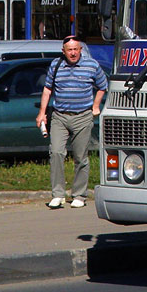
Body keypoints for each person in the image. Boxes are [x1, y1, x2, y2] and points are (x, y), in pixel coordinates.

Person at [36, 35, 107, 209]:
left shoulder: (91, 65)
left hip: (83, 116)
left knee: (80, 157)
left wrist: (96, 106)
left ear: (81, 50)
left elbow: (103, 86)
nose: (73, 53)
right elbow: (47, 89)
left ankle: (79, 195)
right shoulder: (56, 64)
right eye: (70, 50)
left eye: (76, 49)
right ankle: (58, 194)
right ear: (64, 51)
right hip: (60, 116)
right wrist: (42, 113)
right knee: (57, 153)